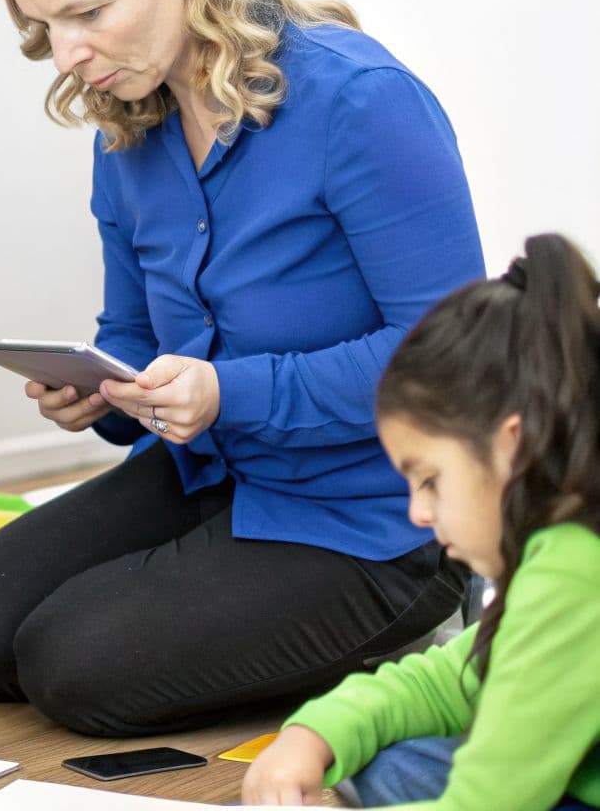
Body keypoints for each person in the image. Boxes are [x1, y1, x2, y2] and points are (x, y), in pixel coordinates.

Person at [0, 0, 485, 736]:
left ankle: (393, 649)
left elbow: (454, 364)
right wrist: (102, 393)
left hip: (374, 515)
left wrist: (228, 391)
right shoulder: (128, 131)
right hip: (207, 474)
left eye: (88, 13)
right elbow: (140, 341)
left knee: (72, 667)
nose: (67, 53)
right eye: (45, 25)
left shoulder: (362, 102)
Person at [242, 234, 600, 809]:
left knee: (400, 771)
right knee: (394, 762)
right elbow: (457, 676)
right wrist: (313, 734)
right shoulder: (561, 551)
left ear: (515, 447)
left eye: (429, 479)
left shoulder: (572, 577)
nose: (417, 511)